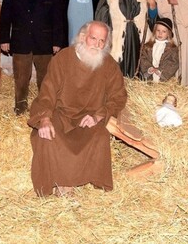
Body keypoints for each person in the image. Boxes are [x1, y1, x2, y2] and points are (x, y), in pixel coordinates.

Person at [27, 21, 127, 197]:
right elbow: (47, 92)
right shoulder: (63, 58)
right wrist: (45, 119)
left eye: (101, 41)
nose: (97, 45)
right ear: (82, 37)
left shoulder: (109, 65)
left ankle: (76, 179)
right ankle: (61, 183)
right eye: (93, 38)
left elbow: (118, 97)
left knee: (100, 136)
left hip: (88, 118)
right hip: (60, 113)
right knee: (48, 136)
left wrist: (98, 116)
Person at [0, 0, 66, 115]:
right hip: (20, 41)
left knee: (45, 80)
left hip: (45, 42)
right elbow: (5, 15)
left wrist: (58, 41)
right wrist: (4, 39)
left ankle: (44, 110)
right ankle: (20, 109)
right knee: (21, 79)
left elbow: (59, 18)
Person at [95, 0, 156, 78]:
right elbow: (101, 19)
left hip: (137, 39)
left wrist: (152, 4)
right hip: (118, 39)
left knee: (139, 68)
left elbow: (152, 19)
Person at [138, 17, 179, 82]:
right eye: (158, 30)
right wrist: (149, 68)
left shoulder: (172, 49)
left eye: (164, 31)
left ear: (169, 33)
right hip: (150, 78)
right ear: (154, 31)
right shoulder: (148, 46)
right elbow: (143, 58)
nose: (160, 33)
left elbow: (174, 63)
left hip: (164, 80)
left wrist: (161, 71)